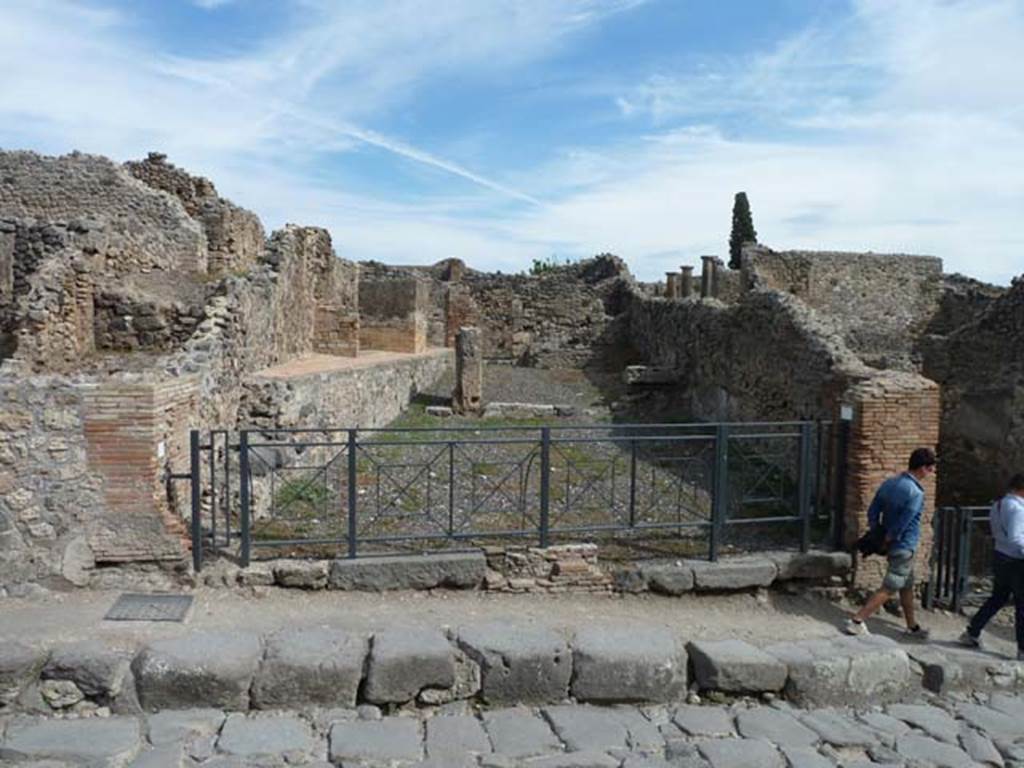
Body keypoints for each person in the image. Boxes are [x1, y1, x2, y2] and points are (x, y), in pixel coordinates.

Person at [844, 447, 937, 639]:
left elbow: (873, 511)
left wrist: (877, 531)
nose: (931, 472)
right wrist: (888, 538)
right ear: (921, 468)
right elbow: (905, 521)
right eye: (930, 468)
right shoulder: (916, 493)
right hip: (903, 545)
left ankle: (912, 627)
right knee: (891, 585)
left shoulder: (890, 483)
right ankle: (857, 621)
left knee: (906, 585)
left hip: (892, 542)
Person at [958, 473, 1024, 660]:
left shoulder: (998, 505)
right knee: (1021, 605)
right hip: (1016, 561)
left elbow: (997, 532)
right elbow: (1016, 537)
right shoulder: (1018, 510)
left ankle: (972, 632)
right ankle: (1022, 650)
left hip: (1000, 556)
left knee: (997, 598)